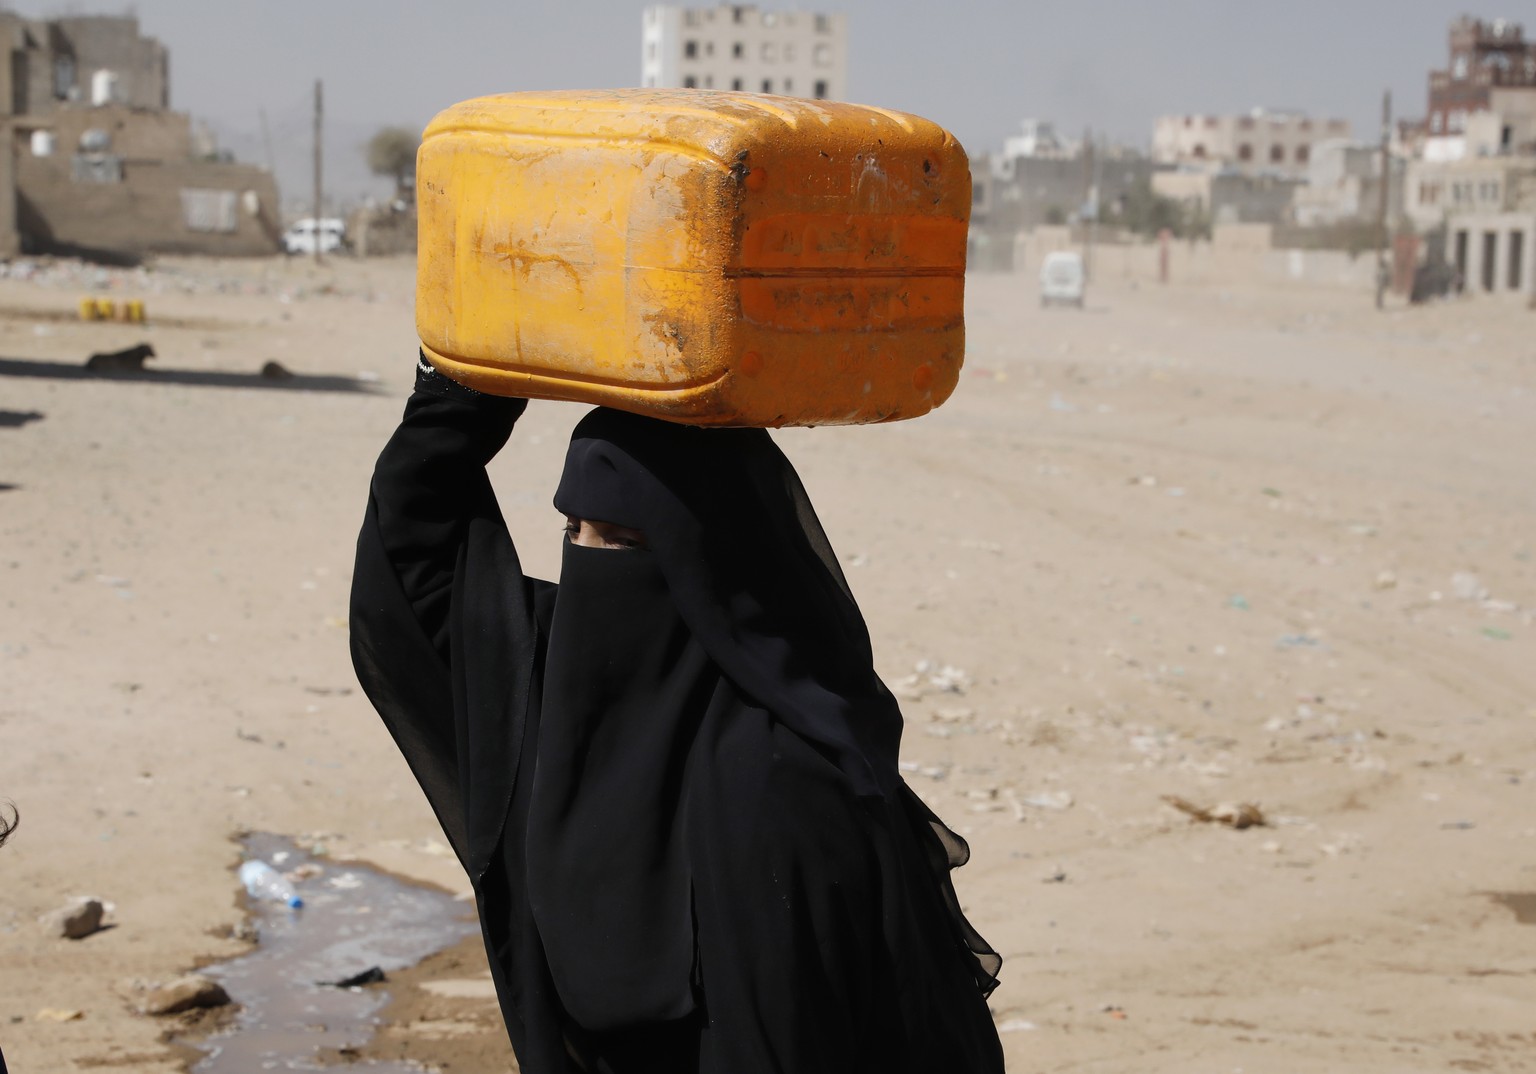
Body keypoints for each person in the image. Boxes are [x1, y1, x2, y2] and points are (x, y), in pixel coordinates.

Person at [350, 355, 1005, 1073]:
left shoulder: (777, 790)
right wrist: (463, 390)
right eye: (575, 533)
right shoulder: (557, 689)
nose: (590, 562)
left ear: (709, 560)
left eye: (626, 542)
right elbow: (413, 569)